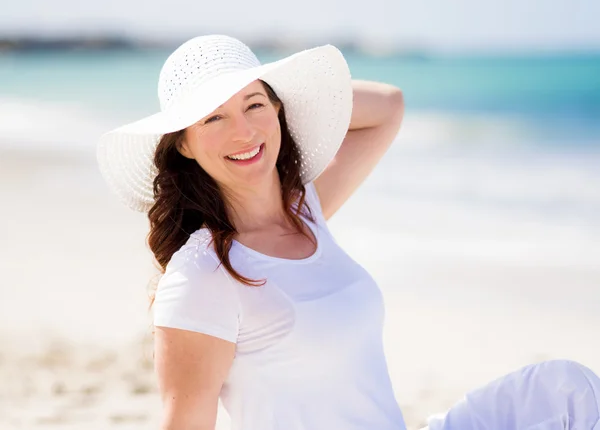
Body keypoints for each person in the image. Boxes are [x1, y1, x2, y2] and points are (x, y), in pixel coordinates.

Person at [96, 35, 600, 430]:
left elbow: (388, 107)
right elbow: (184, 424)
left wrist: (293, 97)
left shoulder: (306, 212)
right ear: (182, 144)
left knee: (568, 390)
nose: (244, 132)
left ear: (278, 110)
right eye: (213, 117)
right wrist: (262, 98)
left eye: (254, 105)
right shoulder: (201, 275)